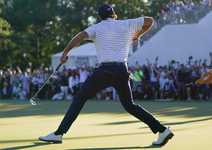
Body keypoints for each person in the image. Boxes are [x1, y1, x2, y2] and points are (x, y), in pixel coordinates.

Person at [39, 4, 174, 146]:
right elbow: (150, 21)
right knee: (130, 105)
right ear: (114, 14)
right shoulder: (127, 24)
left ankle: (58, 134)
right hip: (122, 70)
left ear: (99, 16)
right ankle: (162, 130)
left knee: (80, 98)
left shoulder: (97, 27)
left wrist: (65, 53)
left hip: (105, 71)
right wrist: (137, 35)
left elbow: (81, 36)